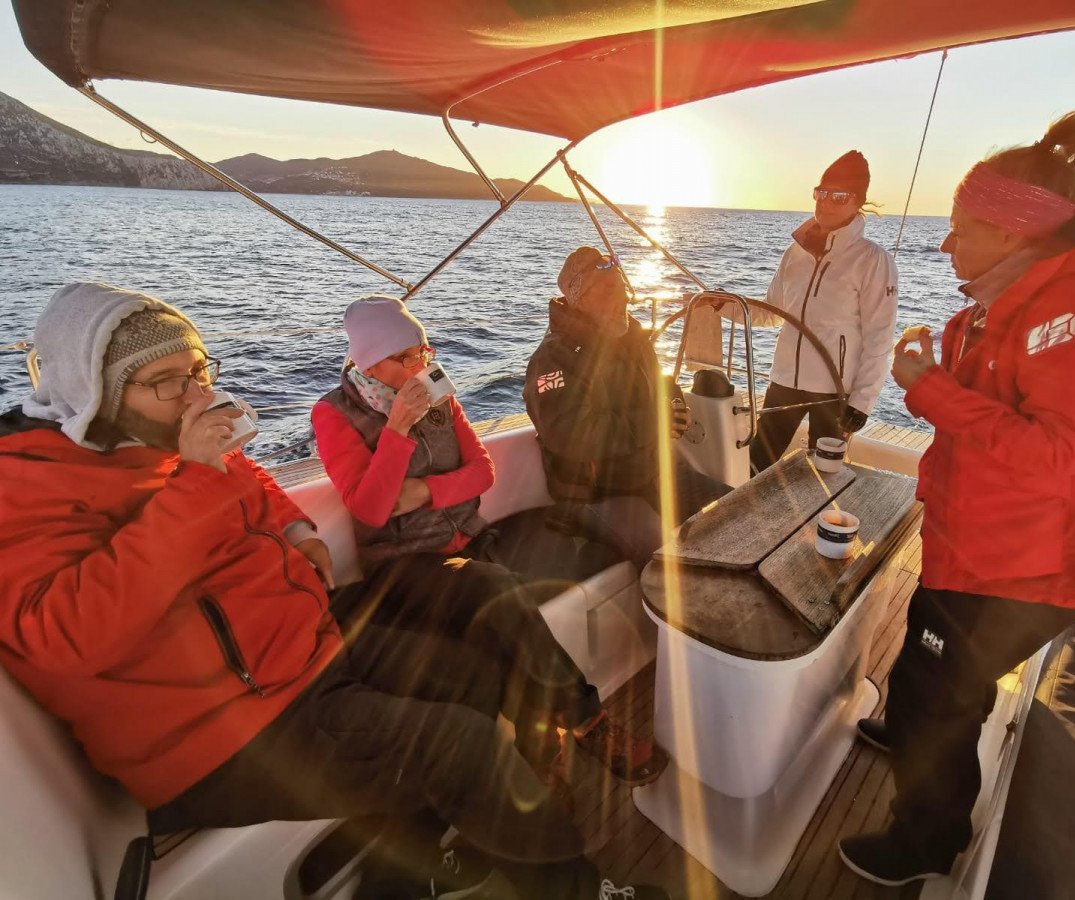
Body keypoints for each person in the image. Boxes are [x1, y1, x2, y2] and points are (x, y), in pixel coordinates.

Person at [0, 282, 669, 900]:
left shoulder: (162, 441)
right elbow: (63, 637)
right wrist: (202, 481)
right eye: (166, 381)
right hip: (214, 729)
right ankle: (577, 887)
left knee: (475, 668)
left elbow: (257, 478)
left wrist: (297, 528)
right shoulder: (28, 483)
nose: (195, 394)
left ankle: (412, 870)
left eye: (199, 371)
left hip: (295, 647)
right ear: (96, 388)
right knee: (459, 741)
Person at [838, 112, 1075, 886]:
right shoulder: (1003, 304)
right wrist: (934, 375)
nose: (947, 244)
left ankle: (925, 841)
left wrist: (929, 387)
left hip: (1019, 567)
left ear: (1012, 233)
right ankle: (915, 728)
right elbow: (996, 410)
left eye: (961, 228)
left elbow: (1054, 454)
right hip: (974, 545)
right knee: (930, 674)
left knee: (936, 691)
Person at [311, 294, 665, 787]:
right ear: (370, 362)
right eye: (406, 357)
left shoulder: (438, 392)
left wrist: (423, 492)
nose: (419, 365)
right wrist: (397, 428)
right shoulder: (334, 413)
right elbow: (370, 509)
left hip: (470, 539)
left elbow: (483, 471)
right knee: (497, 591)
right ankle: (588, 723)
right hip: (404, 562)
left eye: (423, 352)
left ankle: (539, 760)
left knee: (507, 615)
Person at [523, 247, 731, 570]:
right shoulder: (552, 359)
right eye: (607, 289)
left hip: (653, 473)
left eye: (621, 286)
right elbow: (571, 435)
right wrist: (654, 422)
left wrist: (675, 402)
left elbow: (659, 380)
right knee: (676, 566)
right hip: (596, 494)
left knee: (738, 512)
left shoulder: (630, 332)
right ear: (580, 299)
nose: (622, 297)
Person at [747, 150, 899, 472]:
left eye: (839, 196)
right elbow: (771, 312)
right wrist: (722, 305)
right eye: (821, 192)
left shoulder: (873, 260)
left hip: (835, 391)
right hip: (784, 381)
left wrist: (862, 402)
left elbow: (879, 339)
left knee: (824, 474)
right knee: (755, 464)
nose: (826, 202)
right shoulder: (794, 253)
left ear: (858, 202)